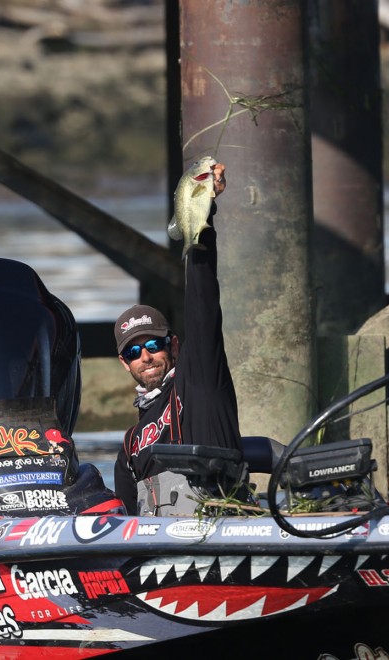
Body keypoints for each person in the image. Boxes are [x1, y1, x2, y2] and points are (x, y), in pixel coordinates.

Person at [113, 162, 254, 514]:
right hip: (156, 542)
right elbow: (124, 524)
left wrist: (203, 218)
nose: (145, 356)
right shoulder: (130, 445)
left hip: (221, 528)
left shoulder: (199, 381)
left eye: (153, 345)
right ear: (125, 363)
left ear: (173, 346)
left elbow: (202, 305)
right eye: (134, 352)